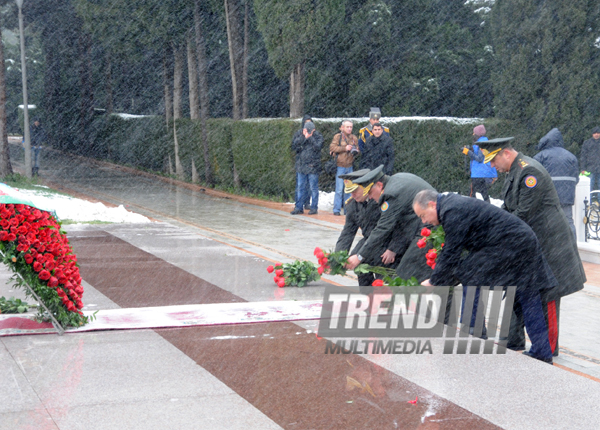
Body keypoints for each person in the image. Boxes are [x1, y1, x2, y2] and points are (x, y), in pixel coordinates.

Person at [413, 190, 556, 363]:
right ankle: (541, 351)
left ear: (431, 204)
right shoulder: (452, 206)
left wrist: (434, 281)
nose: (424, 221)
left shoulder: (452, 210)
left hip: (511, 244)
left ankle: (474, 336)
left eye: (422, 215)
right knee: (526, 296)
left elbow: (452, 251)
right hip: (519, 242)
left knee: (471, 277)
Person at [480, 137, 586, 356]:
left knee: (548, 295)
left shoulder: (530, 173)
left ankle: (547, 348)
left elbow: (522, 215)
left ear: (506, 154)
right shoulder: (514, 171)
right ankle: (513, 339)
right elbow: (510, 210)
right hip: (532, 243)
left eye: (493, 160)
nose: (492, 166)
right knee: (517, 289)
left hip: (550, 245)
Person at [344, 165, 434, 283]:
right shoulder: (395, 181)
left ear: (380, 185)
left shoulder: (390, 194)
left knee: (405, 273)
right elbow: (405, 220)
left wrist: (360, 256)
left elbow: (383, 228)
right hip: (421, 224)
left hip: (429, 225)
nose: (370, 197)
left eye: (370, 192)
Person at [335, 170, 397, 286]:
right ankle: (367, 295)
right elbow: (348, 232)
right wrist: (338, 257)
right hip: (369, 242)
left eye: (354, 191)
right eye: (350, 192)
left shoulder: (381, 199)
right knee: (356, 262)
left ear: (365, 186)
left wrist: (393, 248)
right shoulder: (352, 205)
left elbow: (398, 226)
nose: (352, 195)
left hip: (388, 243)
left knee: (384, 279)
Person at [534, 128, 579, 239]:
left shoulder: (541, 156)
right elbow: (576, 178)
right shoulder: (571, 156)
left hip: (548, 195)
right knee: (568, 220)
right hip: (567, 195)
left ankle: (551, 248)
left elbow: (533, 176)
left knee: (546, 221)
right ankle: (572, 245)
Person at [291, 120, 323, 215]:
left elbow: (318, 147)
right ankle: (298, 207)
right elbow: (294, 146)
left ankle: (314, 207)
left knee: (313, 188)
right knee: (300, 187)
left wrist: (310, 138)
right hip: (301, 166)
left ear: (314, 130)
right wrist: (303, 137)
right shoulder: (299, 134)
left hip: (313, 166)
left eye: (310, 131)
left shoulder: (318, 136)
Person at [329, 120, 359, 216]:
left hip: (350, 166)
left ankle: (348, 209)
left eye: (351, 127)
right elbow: (332, 148)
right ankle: (336, 210)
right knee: (339, 189)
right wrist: (344, 148)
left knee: (349, 189)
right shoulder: (338, 137)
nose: (349, 129)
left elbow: (357, 150)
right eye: (347, 127)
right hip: (340, 166)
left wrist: (356, 151)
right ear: (343, 127)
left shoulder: (354, 138)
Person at [462, 124, 496, 202]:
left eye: (474, 133)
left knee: (471, 193)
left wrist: (468, 152)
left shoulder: (482, 143)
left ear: (478, 134)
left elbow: (479, 158)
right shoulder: (482, 142)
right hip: (481, 172)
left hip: (479, 173)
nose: (473, 135)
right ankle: (488, 208)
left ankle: (472, 208)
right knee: (483, 193)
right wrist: (470, 149)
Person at [579, 126, 600, 192]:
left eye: (598, 133)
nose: (596, 134)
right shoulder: (587, 143)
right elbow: (583, 156)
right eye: (595, 133)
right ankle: (588, 201)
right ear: (592, 134)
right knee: (588, 187)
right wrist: (582, 168)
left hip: (594, 168)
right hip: (590, 169)